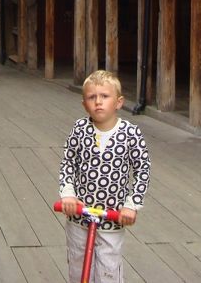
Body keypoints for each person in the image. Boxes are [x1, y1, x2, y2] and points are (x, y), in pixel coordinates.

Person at [59, 70, 151, 283]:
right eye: (92, 97)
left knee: (108, 270)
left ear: (118, 102)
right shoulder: (80, 129)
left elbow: (142, 171)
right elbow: (68, 163)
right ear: (84, 104)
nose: (98, 102)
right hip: (79, 216)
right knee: (78, 266)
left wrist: (131, 205)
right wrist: (68, 195)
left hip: (112, 218)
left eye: (104, 96)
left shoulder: (130, 133)